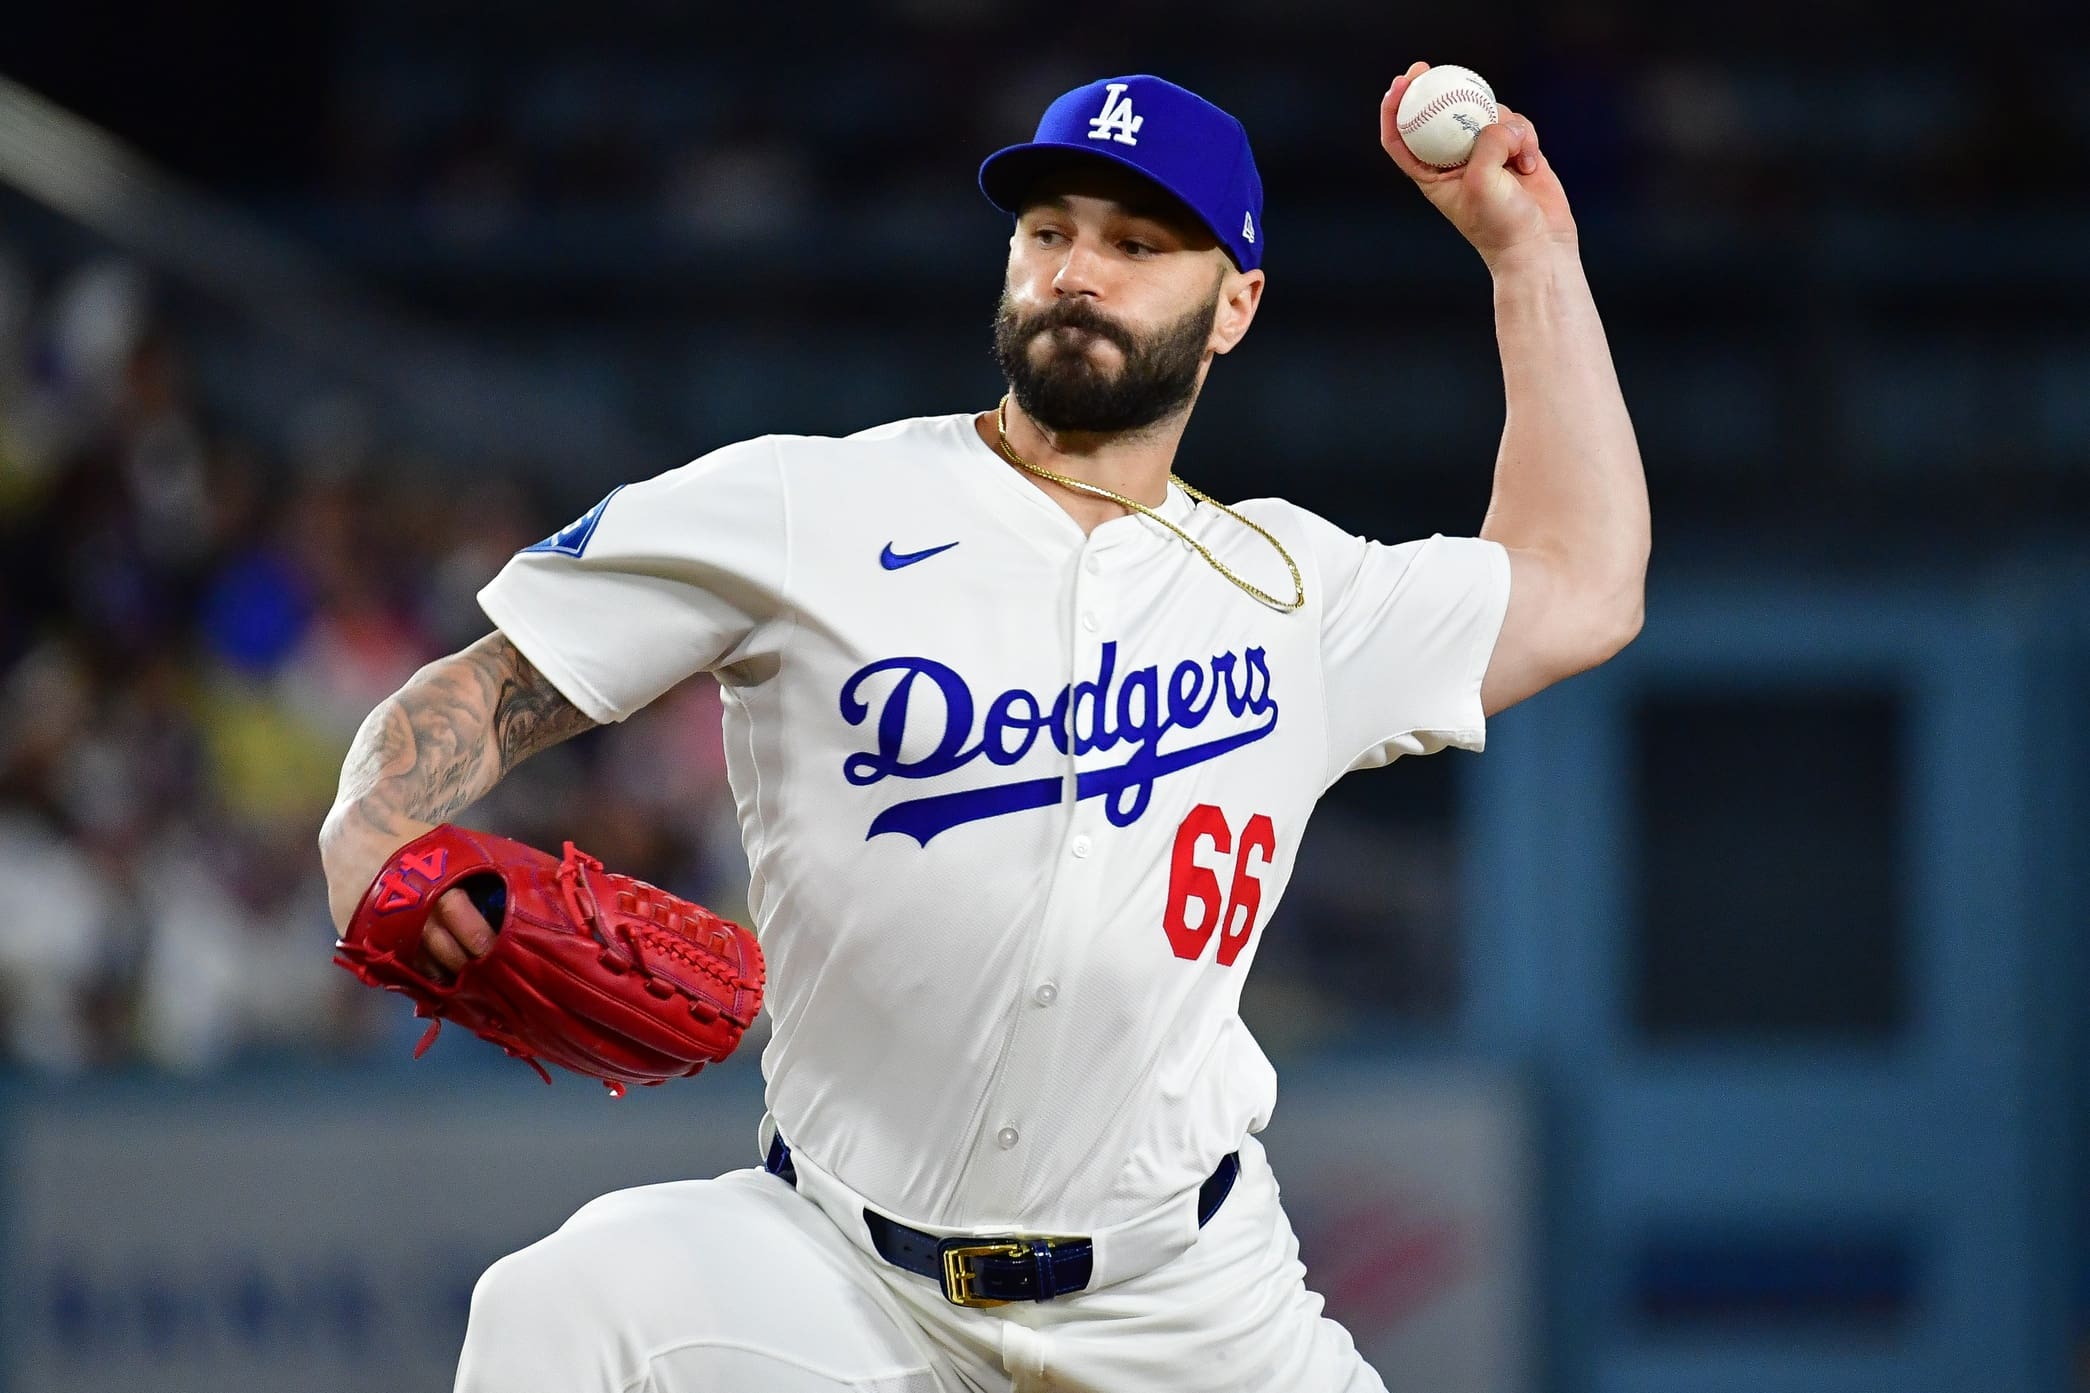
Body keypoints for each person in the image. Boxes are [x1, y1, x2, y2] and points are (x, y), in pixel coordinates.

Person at [319, 64, 1647, 1393]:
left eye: (1136, 243)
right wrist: (368, 821)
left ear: (1235, 302)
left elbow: (1579, 584)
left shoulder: (1299, 594)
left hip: (1184, 1311)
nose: (1078, 269)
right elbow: (490, 682)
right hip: (841, 1275)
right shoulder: (809, 504)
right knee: (561, 1304)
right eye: (1049, 229)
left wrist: (1529, 253)